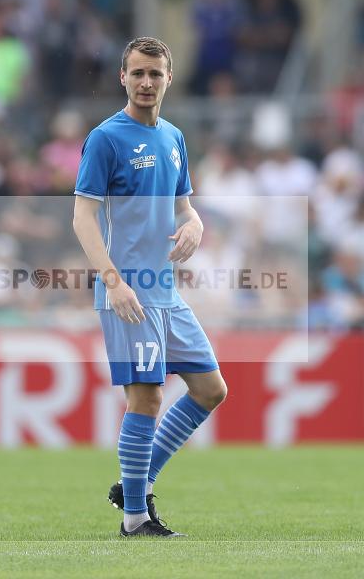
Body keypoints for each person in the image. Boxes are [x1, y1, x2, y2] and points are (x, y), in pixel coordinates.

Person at [72, 37, 227, 538]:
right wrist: (112, 281)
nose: (145, 82)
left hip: (166, 293)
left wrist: (195, 225)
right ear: (122, 77)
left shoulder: (174, 137)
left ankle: (135, 483)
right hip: (128, 294)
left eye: (154, 74)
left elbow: (184, 208)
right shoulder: (105, 139)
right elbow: (83, 217)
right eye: (137, 73)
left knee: (211, 390)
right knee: (146, 399)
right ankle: (135, 518)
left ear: (169, 78)